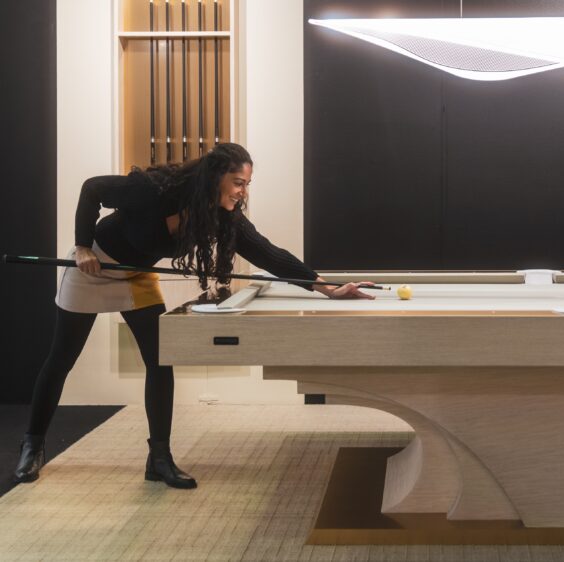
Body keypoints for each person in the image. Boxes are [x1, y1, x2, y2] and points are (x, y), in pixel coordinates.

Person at [14, 143, 373, 488]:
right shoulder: (153, 191)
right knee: (62, 359)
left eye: (247, 185)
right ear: (216, 176)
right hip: (91, 267)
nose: (242, 192)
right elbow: (92, 189)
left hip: (136, 276)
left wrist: (328, 287)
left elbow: (268, 253)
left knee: (159, 361)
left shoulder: (221, 216)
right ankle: (32, 446)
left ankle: (159, 459)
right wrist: (80, 246)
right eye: (238, 183)